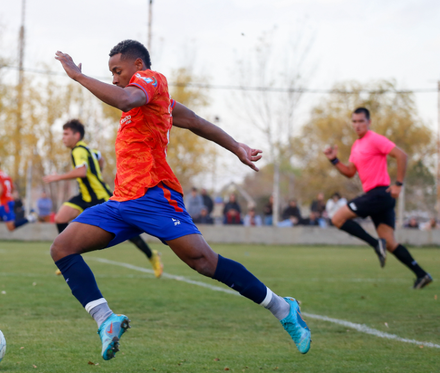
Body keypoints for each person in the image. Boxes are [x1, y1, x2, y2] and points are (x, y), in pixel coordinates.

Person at [51, 40, 310, 361]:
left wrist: (78, 76)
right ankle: (106, 320)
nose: (115, 79)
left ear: (138, 66)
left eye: (118, 71)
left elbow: (126, 99)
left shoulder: (150, 81)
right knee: (62, 248)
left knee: (204, 262)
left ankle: (284, 308)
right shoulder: (153, 104)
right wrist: (236, 146)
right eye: (112, 74)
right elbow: (195, 121)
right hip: (121, 203)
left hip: (154, 196)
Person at [324, 107, 432, 289]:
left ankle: (375, 244)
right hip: (378, 197)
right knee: (390, 243)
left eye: (361, 121)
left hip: (380, 193)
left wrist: (398, 184)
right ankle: (421, 274)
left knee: (337, 218)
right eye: (354, 121)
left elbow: (401, 155)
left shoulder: (374, 139)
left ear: (369, 122)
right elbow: (350, 172)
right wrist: (334, 160)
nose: (357, 125)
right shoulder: (357, 146)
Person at [43, 118, 164, 277]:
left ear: (77, 135)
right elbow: (100, 158)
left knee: (128, 231)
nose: (63, 137)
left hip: (100, 196)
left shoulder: (78, 150)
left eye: (66, 134)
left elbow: (81, 172)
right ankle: (67, 255)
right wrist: (97, 170)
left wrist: (57, 177)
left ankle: (152, 256)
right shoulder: (88, 150)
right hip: (85, 196)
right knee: (60, 218)